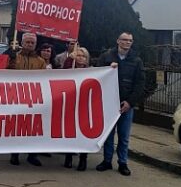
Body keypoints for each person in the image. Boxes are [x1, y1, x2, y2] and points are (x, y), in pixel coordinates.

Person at [95, 32, 145, 176]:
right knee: (109, 134)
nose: (127, 43)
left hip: (126, 105)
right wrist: (107, 67)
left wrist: (130, 102)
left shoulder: (136, 61)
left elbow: (140, 83)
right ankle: (107, 161)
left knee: (124, 136)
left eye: (130, 40)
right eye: (124, 40)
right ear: (118, 41)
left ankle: (123, 163)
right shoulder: (107, 56)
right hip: (109, 103)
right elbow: (98, 74)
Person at [7, 32, 46, 166]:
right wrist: (10, 62)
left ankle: (32, 154)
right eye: (27, 42)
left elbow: (44, 79)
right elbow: (4, 74)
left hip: (34, 98)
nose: (29, 45)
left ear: (35, 45)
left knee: (33, 128)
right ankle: (15, 154)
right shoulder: (14, 57)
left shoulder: (41, 62)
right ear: (22, 43)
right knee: (17, 126)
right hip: (16, 97)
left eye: (32, 43)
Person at [61, 47, 90, 171]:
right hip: (70, 105)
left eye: (83, 56)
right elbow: (63, 73)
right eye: (78, 55)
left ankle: (83, 158)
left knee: (83, 133)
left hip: (84, 106)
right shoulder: (70, 69)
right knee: (70, 132)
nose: (81, 58)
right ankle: (69, 157)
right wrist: (69, 59)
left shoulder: (91, 71)